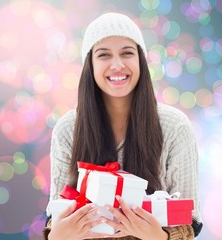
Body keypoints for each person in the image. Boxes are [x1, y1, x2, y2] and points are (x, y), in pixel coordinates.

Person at [43, 12, 203, 240]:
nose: (117, 65)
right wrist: (55, 236)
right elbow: (55, 218)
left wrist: (159, 236)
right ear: (90, 65)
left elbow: (190, 223)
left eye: (127, 53)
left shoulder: (175, 127)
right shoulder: (68, 128)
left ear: (141, 60)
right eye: (104, 55)